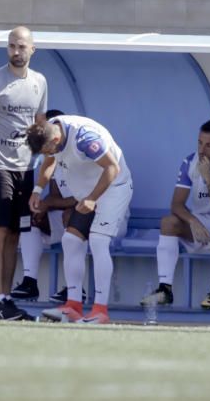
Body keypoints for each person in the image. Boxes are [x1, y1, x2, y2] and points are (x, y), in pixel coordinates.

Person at [0, 26, 47, 321]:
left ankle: (7, 299)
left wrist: (39, 156)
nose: (16, 52)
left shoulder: (40, 82)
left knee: (15, 234)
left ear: (32, 50)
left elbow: (39, 125)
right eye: (12, 46)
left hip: (24, 169)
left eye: (21, 47)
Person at [28, 115, 133, 325]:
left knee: (98, 241)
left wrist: (93, 198)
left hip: (113, 190)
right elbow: (50, 160)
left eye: (48, 150)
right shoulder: (50, 129)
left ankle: (100, 311)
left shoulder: (84, 138)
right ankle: (73, 307)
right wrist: (37, 189)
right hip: (87, 194)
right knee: (71, 241)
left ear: (55, 141)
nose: (47, 156)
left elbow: (113, 168)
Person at [142, 119, 210, 309]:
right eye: (200, 143)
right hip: (203, 221)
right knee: (168, 222)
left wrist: (208, 176)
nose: (202, 150)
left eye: (209, 145)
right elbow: (176, 204)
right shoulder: (189, 161)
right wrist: (193, 221)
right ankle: (164, 290)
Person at [10, 108, 77, 302]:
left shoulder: (81, 151)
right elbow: (57, 196)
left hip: (100, 218)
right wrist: (44, 206)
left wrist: (48, 203)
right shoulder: (53, 157)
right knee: (30, 217)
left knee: (71, 216)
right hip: (68, 217)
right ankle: (30, 282)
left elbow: (88, 199)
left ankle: (75, 288)